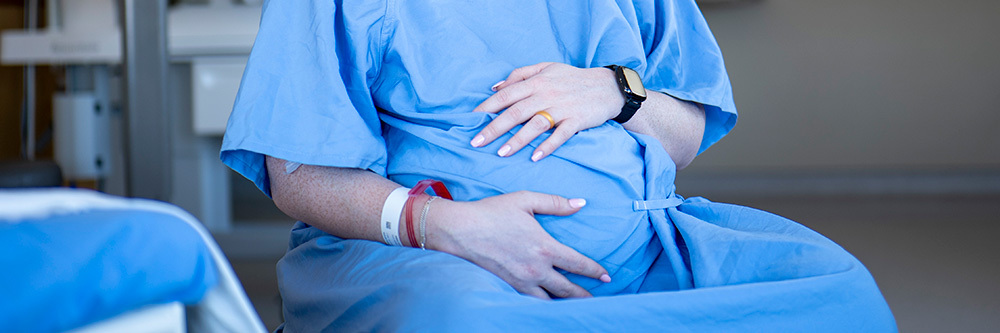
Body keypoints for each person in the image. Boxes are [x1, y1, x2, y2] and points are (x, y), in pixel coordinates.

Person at [221, 0, 896, 331]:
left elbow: (685, 134)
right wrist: (436, 223)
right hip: (435, 257)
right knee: (461, 324)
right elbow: (298, 173)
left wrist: (618, 92)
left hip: (647, 251)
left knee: (842, 295)